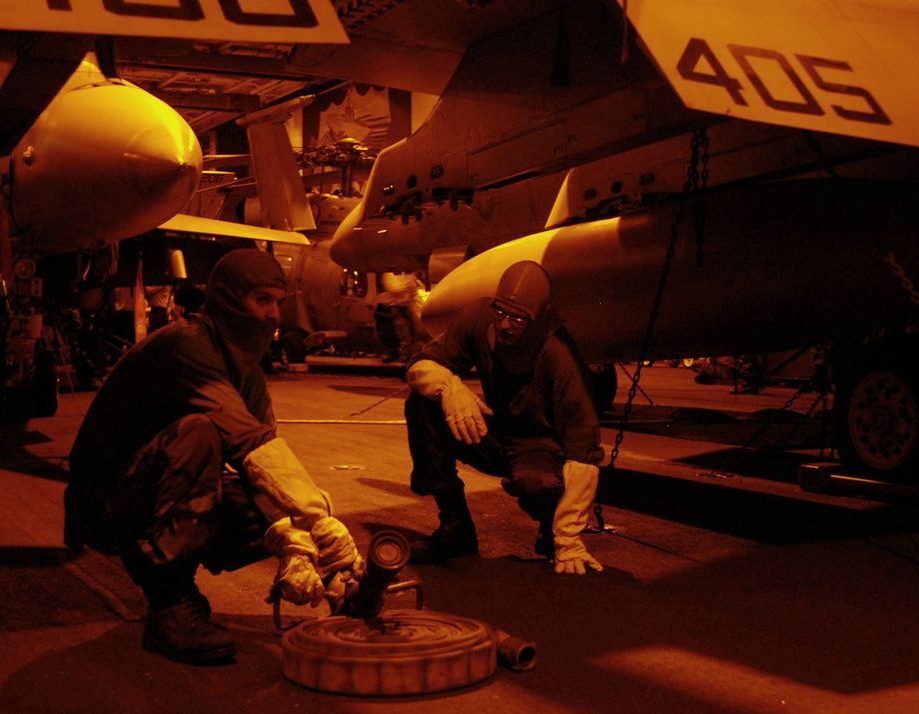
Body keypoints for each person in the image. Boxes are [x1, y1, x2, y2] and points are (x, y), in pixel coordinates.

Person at [63, 248, 363, 665]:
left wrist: (309, 550)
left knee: (269, 501)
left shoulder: (247, 372)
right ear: (226, 301)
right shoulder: (185, 346)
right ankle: (168, 605)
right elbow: (246, 441)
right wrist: (320, 520)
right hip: (102, 502)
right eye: (262, 301)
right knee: (198, 433)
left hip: (147, 488)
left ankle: (345, 592)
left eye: (278, 302)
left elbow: (267, 469)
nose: (275, 315)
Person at [403, 260, 605, 575]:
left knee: (536, 485)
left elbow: (584, 452)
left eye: (518, 318)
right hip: (496, 432)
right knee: (422, 404)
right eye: (501, 313)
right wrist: (449, 387)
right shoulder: (478, 318)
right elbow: (420, 365)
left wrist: (568, 535)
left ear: (538, 320)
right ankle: (455, 527)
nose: (505, 325)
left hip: (540, 447)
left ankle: (551, 532)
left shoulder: (560, 356)